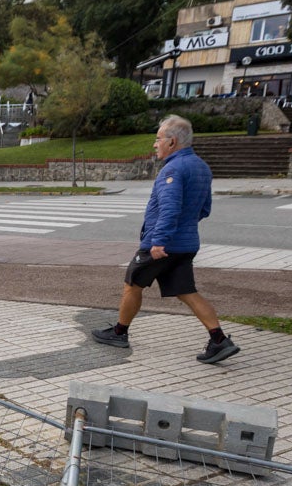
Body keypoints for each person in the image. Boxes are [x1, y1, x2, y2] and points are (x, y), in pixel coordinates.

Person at [91, 114, 240, 364]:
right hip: (187, 244)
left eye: (158, 139)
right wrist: (183, 228)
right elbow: (204, 209)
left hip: (162, 245)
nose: (155, 144)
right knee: (187, 292)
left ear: (172, 142)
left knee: (132, 284)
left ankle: (119, 332)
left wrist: (159, 241)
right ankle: (219, 340)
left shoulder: (173, 169)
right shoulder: (201, 167)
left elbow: (169, 208)